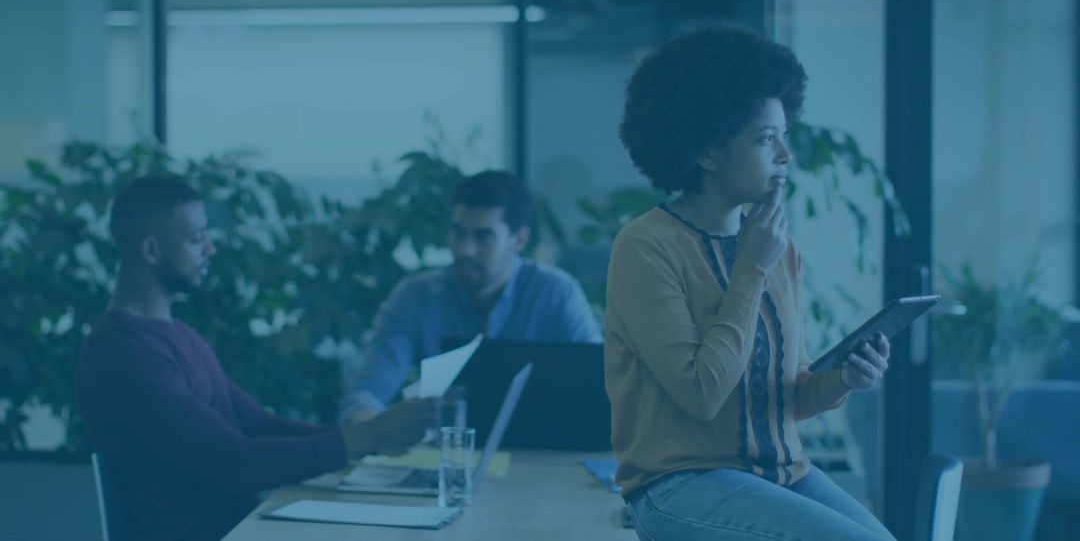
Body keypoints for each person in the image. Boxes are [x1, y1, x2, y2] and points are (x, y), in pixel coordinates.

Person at [605, 27, 897, 540]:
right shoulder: (645, 245)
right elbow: (701, 395)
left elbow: (786, 398)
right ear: (706, 151)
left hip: (780, 474)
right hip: (679, 486)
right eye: (765, 139)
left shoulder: (777, 245)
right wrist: (750, 271)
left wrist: (845, 380)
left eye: (784, 135)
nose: (785, 154)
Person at [77, 175, 435, 541]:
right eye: (196, 238)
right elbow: (233, 462)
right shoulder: (123, 353)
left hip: (244, 528)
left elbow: (257, 425)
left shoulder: (179, 336)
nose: (210, 249)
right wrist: (366, 438)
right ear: (151, 251)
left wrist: (369, 438)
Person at [340, 170, 602, 423]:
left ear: (519, 240)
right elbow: (367, 392)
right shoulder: (415, 297)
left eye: (483, 237)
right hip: (444, 455)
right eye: (458, 233)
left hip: (542, 456)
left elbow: (597, 391)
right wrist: (372, 429)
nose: (465, 249)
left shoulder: (557, 294)